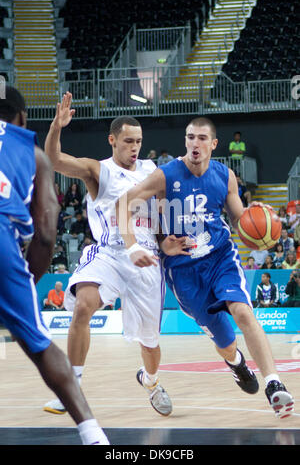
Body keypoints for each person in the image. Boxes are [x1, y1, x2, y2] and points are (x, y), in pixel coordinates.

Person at [118, 116, 294, 419]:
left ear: (214, 144)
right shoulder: (166, 175)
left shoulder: (225, 176)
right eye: (190, 137)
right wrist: (141, 246)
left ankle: (274, 384)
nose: (194, 143)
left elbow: (241, 221)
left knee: (242, 311)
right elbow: (124, 203)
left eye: (201, 138)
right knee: (225, 343)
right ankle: (237, 363)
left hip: (220, 257)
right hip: (183, 270)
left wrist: (262, 232)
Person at [42, 92, 182, 417]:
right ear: (112, 140)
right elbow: (55, 159)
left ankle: (150, 381)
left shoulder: (153, 172)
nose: (134, 147)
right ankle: (70, 388)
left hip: (146, 259)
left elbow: (164, 217)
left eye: (139, 141)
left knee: (150, 344)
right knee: (83, 308)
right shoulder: (97, 170)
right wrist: (56, 128)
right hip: (109, 253)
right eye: (128, 141)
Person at [0, 85, 109, 445]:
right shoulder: (30, 153)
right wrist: (26, 283)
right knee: (41, 346)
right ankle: (93, 436)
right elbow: (47, 232)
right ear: (21, 118)